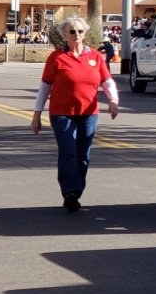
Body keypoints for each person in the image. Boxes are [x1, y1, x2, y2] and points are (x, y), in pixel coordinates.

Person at [30, 17, 119, 213]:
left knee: (83, 154)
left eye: (80, 31)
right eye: (72, 31)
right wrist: (37, 115)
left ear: (85, 33)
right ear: (65, 34)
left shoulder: (95, 56)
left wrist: (113, 100)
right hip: (61, 114)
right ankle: (69, 193)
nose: (76, 34)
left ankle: (76, 191)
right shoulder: (56, 57)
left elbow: (107, 81)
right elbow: (45, 87)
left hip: (88, 113)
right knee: (68, 151)